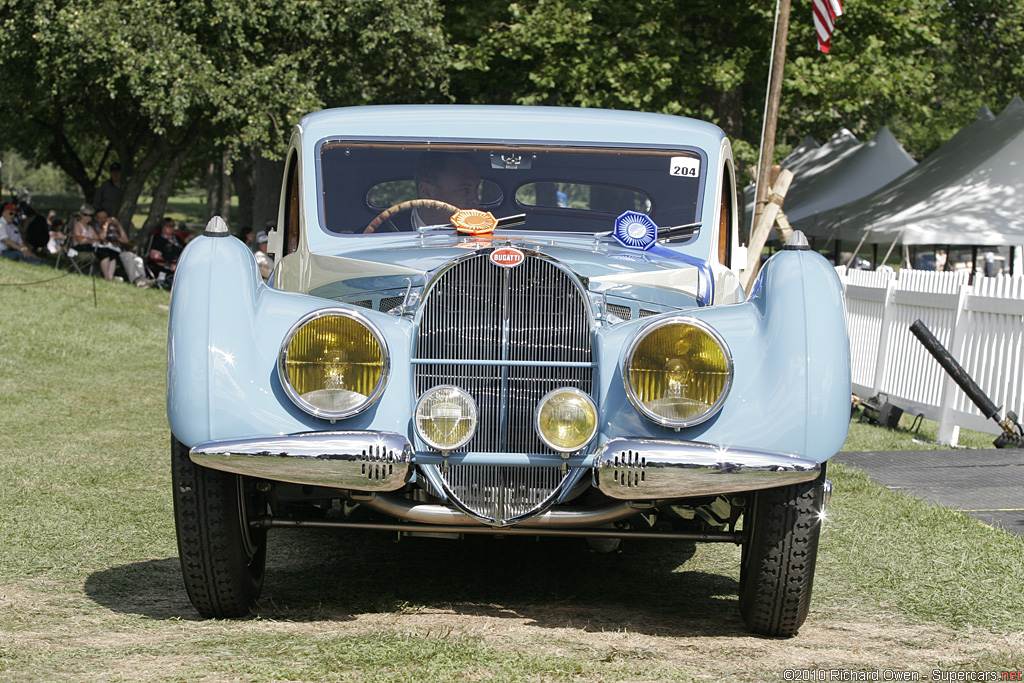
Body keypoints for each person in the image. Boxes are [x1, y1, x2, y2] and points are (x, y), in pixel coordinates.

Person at [369, 153, 481, 232]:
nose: (475, 201)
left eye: (476, 188)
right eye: (464, 189)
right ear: (426, 192)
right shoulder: (381, 235)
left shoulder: (489, 235)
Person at [148, 217, 185, 287]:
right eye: (168, 225)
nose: (171, 227)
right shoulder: (158, 239)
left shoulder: (177, 238)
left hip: (181, 262)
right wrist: (168, 264)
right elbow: (155, 256)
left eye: (173, 225)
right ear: (162, 227)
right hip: (168, 265)